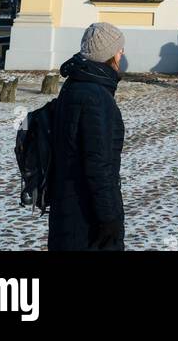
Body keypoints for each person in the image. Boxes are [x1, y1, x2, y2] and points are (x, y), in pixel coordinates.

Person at [48, 22, 125, 252]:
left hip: (69, 208)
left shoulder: (76, 84)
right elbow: (98, 165)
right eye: (119, 50)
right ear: (107, 55)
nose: (122, 54)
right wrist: (109, 218)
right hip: (87, 218)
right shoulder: (95, 96)